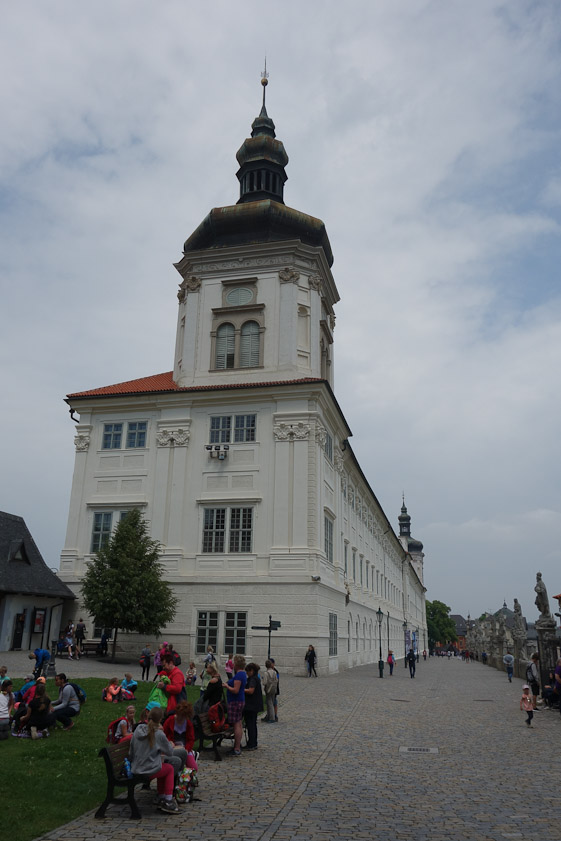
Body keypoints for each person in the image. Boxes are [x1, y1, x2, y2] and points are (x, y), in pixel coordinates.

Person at [129, 706, 180, 814]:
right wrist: (170, 743)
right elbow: (170, 752)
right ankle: (168, 799)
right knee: (169, 768)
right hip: (147, 770)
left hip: (136, 767)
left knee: (162, 767)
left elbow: (131, 751)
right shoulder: (159, 734)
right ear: (161, 720)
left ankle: (161, 796)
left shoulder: (138, 730)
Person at [162, 701, 198, 770]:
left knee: (194, 768)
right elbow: (163, 735)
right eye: (179, 715)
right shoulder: (170, 720)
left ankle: (192, 754)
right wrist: (169, 741)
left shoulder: (188, 724)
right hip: (171, 748)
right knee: (176, 765)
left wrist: (187, 749)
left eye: (183, 716)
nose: (180, 718)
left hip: (184, 749)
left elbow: (191, 739)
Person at [225, 654, 247, 756]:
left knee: (237, 724)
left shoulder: (239, 675)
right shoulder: (243, 674)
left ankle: (237, 747)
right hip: (239, 701)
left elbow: (235, 690)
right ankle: (237, 746)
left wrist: (226, 686)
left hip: (235, 701)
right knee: (238, 724)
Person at [243, 662, 262, 750]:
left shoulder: (253, 679)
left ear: (252, 671)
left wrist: (241, 690)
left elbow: (251, 690)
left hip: (251, 705)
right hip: (254, 705)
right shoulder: (255, 678)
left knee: (250, 724)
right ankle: (253, 742)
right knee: (252, 724)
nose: (247, 673)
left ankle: (251, 743)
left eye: (248, 671)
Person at [270, 658, 280, 722]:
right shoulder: (269, 671)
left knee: (274, 702)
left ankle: (275, 715)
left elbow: (277, 680)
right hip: (270, 688)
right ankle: (270, 714)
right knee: (270, 702)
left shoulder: (276, 671)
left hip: (274, 688)